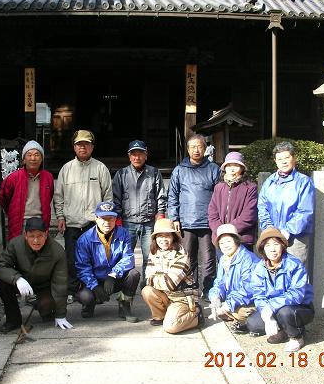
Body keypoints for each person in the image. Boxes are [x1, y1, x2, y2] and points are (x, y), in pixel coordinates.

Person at [54, 130, 113, 303]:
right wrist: (60, 217)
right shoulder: (66, 169)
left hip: (93, 223)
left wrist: (104, 219)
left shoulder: (100, 168)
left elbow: (108, 195)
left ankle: (93, 290)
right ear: (74, 147)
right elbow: (59, 196)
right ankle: (72, 289)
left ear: (92, 146)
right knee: (71, 259)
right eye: (79, 144)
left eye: (86, 144)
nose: (83, 147)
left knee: (95, 258)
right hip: (72, 222)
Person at [0, 217, 72, 332]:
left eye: (40, 235)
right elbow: (0, 265)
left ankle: (42, 306)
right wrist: (17, 278)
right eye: (31, 236)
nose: (36, 240)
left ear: (46, 234)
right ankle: (13, 320)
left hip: (44, 285)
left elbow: (60, 284)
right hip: (23, 281)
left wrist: (60, 314)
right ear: (25, 235)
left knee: (46, 306)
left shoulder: (57, 251)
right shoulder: (15, 244)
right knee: (3, 284)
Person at [167, 134, 220, 299]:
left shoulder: (213, 169)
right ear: (188, 149)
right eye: (193, 147)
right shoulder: (179, 170)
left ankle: (208, 288)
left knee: (208, 258)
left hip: (207, 221)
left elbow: (220, 195)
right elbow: (172, 196)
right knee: (187, 257)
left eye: (200, 147)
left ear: (205, 149)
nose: (196, 150)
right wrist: (174, 218)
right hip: (186, 221)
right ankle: (190, 286)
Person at [247, 227, 314, 352]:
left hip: (298, 307)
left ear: (282, 246)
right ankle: (283, 330)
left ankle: (297, 336)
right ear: (263, 249)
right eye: (267, 245)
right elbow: (258, 294)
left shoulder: (294, 264)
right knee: (252, 324)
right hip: (273, 308)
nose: (272, 249)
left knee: (286, 313)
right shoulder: (259, 268)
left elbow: (297, 294)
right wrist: (266, 314)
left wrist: (271, 307)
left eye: (276, 244)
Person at [75, 201, 140, 322]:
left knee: (134, 274)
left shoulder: (123, 233)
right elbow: (82, 267)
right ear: (96, 218)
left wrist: (113, 274)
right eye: (103, 218)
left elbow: (128, 258)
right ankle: (89, 305)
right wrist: (94, 286)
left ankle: (124, 306)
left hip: (114, 278)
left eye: (111, 218)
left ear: (116, 219)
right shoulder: (85, 239)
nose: (107, 222)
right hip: (96, 279)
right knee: (85, 296)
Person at [112, 140, 167, 285]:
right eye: (134, 154)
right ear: (129, 156)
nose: (137, 157)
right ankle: (125, 286)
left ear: (146, 155)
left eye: (140, 154)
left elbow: (161, 196)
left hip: (149, 222)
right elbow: (115, 198)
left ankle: (147, 285)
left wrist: (160, 216)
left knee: (150, 256)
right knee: (124, 256)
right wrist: (117, 219)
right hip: (127, 222)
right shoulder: (121, 174)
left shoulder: (154, 173)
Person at [141, 218, 204, 333]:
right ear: (155, 238)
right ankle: (160, 316)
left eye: (167, 236)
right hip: (166, 295)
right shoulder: (154, 253)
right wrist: (159, 279)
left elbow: (169, 283)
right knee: (147, 291)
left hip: (182, 297)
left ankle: (196, 315)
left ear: (173, 237)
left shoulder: (181, 255)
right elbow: (147, 278)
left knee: (171, 327)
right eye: (160, 236)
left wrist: (156, 278)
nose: (163, 239)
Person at [257, 141, 315, 268]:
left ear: (294, 158)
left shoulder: (303, 182)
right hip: (273, 236)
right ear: (275, 161)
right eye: (280, 159)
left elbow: (305, 211)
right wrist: (269, 228)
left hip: (296, 236)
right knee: (273, 270)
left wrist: (287, 231)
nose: (283, 161)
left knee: (295, 271)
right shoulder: (270, 182)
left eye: (287, 157)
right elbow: (262, 206)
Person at [206, 224, 260, 334]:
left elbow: (248, 288)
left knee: (238, 313)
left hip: (252, 300)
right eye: (221, 243)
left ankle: (241, 317)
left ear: (236, 241)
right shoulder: (223, 259)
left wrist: (228, 305)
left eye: (228, 241)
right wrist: (215, 297)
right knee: (219, 309)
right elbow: (220, 282)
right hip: (236, 299)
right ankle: (231, 314)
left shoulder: (248, 258)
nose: (225, 246)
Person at [0, 140, 54, 241]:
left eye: (37, 155)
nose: (33, 158)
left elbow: (49, 197)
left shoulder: (48, 177)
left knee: (39, 251)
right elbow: (4, 199)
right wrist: (13, 212)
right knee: (19, 253)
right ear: (24, 159)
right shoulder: (13, 178)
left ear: (41, 159)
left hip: (40, 220)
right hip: (20, 221)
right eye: (29, 155)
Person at [208, 151, 258, 249]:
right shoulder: (219, 187)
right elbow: (212, 213)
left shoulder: (250, 188)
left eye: (236, 165)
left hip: (241, 238)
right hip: (221, 238)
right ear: (225, 168)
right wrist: (221, 231)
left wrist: (229, 230)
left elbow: (249, 215)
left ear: (242, 168)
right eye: (229, 165)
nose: (232, 169)